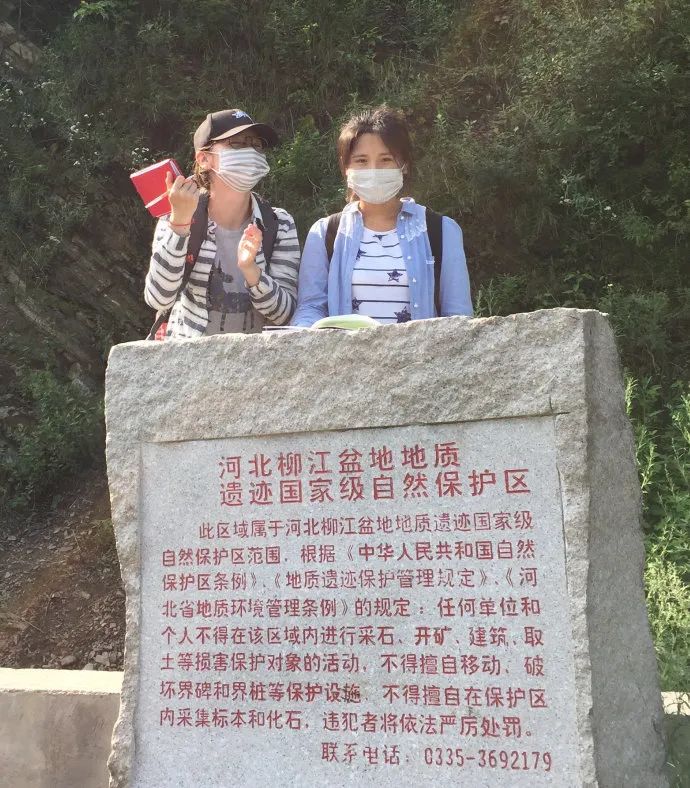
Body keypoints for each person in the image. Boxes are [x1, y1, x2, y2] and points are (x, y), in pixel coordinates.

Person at [291, 106, 472, 327]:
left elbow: (458, 318)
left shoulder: (441, 231)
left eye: (385, 159)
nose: (373, 169)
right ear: (346, 167)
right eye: (361, 161)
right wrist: (302, 332)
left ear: (404, 164)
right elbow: (311, 307)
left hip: (419, 351)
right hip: (346, 350)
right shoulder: (325, 233)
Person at [145, 109, 300, 338]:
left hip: (257, 358)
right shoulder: (175, 216)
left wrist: (252, 272)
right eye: (237, 143)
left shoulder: (279, 223)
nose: (250, 152)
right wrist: (180, 225)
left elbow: (286, 314)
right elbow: (158, 298)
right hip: (185, 356)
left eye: (256, 145)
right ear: (204, 159)